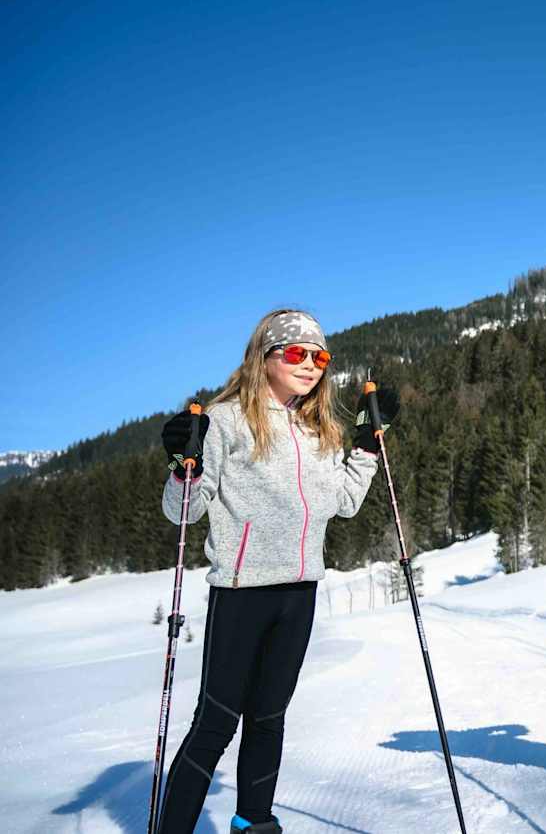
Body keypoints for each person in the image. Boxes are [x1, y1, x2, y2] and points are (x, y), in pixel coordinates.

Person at [155, 309, 396, 833]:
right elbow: (184, 512)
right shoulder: (224, 420)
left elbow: (345, 501)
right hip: (242, 591)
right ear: (264, 356)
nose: (310, 365)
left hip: (300, 591)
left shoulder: (317, 427)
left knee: (268, 718)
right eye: (296, 353)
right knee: (216, 723)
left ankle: (255, 824)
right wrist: (181, 465)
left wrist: (364, 447)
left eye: (320, 357)